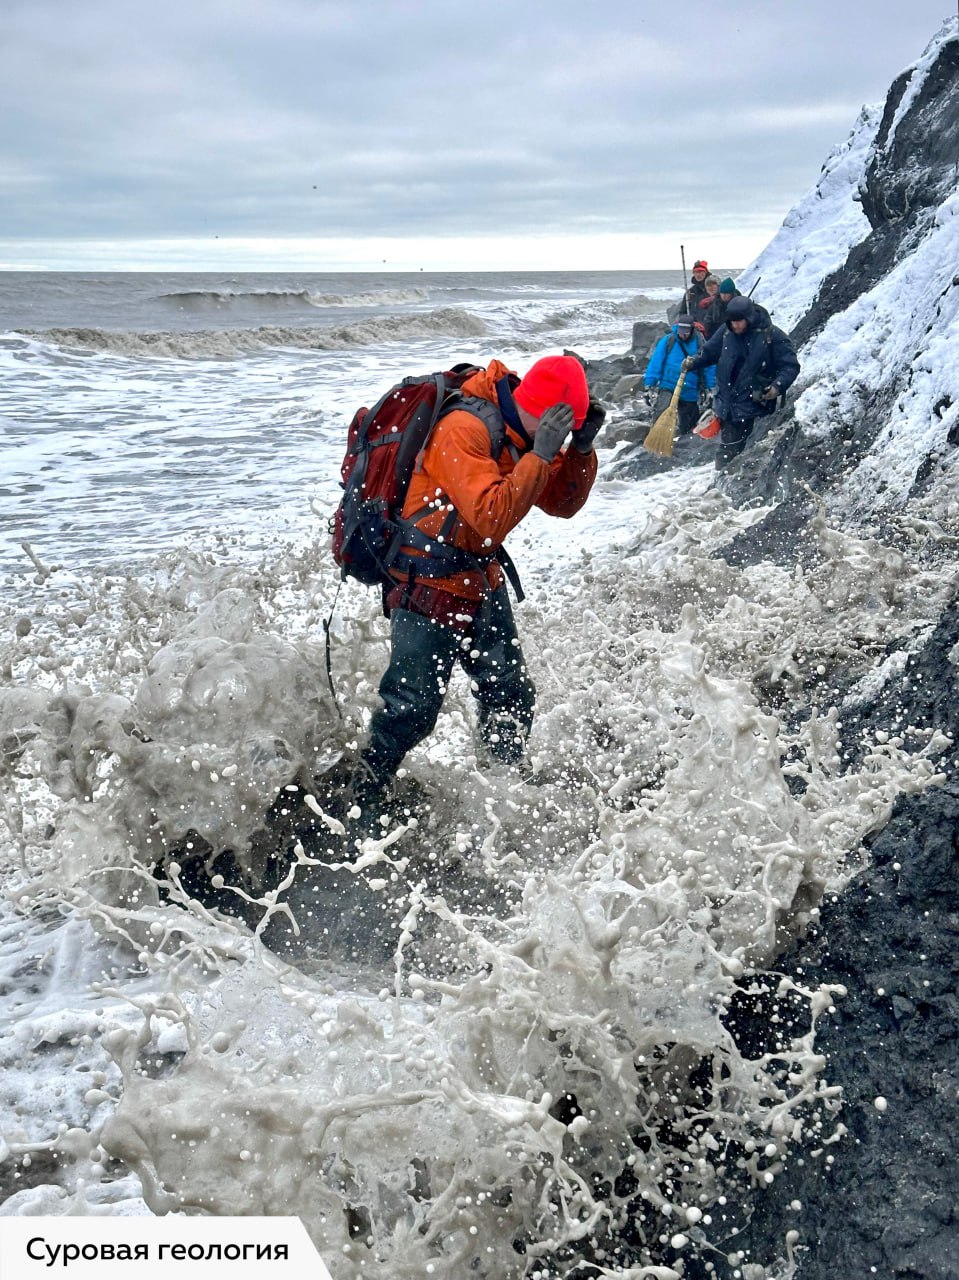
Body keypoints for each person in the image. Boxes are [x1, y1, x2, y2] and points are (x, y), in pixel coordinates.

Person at [354, 355, 604, 825]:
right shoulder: (463, 428)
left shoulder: (523, 434)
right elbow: (490, 518)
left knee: (510, 692)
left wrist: (581, 450)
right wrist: (541, 455)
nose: (560, 436)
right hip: (425, 581)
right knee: (411, 707)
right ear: (538, 409)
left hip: (478, 577)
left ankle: (501, 793)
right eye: (560, 427)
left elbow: (561, 504)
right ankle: (359, 798)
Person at [684, 296, 799, 468]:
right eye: (732, 321)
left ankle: (732, 481)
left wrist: (777, 387)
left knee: (747, 454)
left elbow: (790, 366)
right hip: (727, 405)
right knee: (728, 452)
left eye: (739, 321)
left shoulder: (772, 335)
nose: (735, 325)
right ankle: (722, 481)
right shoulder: (726, 331)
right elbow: (709, 352)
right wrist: (693, 362)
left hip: (757, 407)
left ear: (749, 318)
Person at [643, 316, 716, 437]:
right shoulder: (669, 341)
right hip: (668, 384)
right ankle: (657, 438)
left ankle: (685, 442)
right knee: (662, 412)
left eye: (686, 333)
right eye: (680, 332)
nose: (683, 335)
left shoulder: (700, 342)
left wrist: (710, 388)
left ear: (691, 330)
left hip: (690, 388)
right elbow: (656, 363)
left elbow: (708, 366)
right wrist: (649, 385)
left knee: (689, 423)